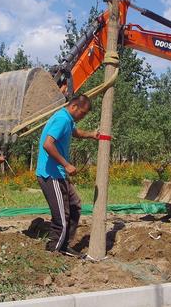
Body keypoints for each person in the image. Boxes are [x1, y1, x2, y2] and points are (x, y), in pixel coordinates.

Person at [36, 94, 99, 256]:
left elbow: (75, 132)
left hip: (59, 174)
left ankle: (64, 245)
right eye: (83, 113)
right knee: (61, 218)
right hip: (51, 175)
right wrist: (66, 164)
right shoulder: (62, 119)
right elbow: (47, 144)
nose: (83, 116)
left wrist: (91, 135)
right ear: (74, 107)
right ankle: (54, 252)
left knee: (75, 205)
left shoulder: (68, 120)